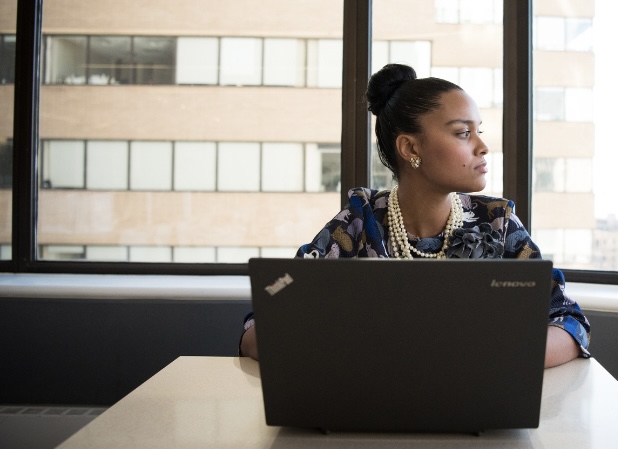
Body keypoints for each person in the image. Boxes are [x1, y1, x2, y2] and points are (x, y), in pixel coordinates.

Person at [240, 63, 590, 367]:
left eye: (478, 131)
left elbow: (569, 321)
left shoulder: (498, 223)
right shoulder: (359, 222)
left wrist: (492, 356)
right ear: (410, 148)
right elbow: (261, 324)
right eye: (463, 133)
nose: (483, 147)